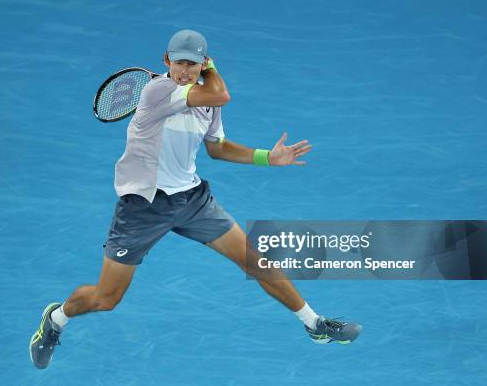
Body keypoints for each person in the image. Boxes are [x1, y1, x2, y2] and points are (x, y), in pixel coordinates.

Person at [30, 29, 362, 369]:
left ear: (202, 63)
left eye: (193, 64)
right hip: (143, 207)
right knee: (106, 298)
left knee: (256, 261)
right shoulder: (158, 90)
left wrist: (267, 157)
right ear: (166, 61)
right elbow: (222, 94)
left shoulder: (207, 102)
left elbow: (218, 148)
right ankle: (55, 318)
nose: (185, 70)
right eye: (180, 63)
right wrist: (211, 67)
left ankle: (314, 324)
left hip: (191, 200)